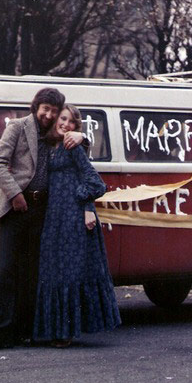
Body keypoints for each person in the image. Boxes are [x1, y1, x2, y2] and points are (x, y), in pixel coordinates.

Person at [0, 88, 85, 352]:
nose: (48, 115)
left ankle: (23, 331)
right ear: (35, 106)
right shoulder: (17, 127)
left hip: (43, 210)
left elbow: (78, 146)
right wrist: (15, 194)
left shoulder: (53, 133)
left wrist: (83, 136)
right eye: (44, 109)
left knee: (32, 272)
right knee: (6, 270)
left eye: (53, 111)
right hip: (16, 208)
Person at [33, 104, 121, 347]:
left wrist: (84, 205)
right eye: (63, 119)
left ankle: (66, 333)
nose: (66, 125)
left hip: (72, 218)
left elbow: (95, 183)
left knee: (69, 273)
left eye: (72, 122)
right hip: (53, 219)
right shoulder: (48, 145)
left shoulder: (72, 146)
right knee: (52, 272)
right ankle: (55, 330)